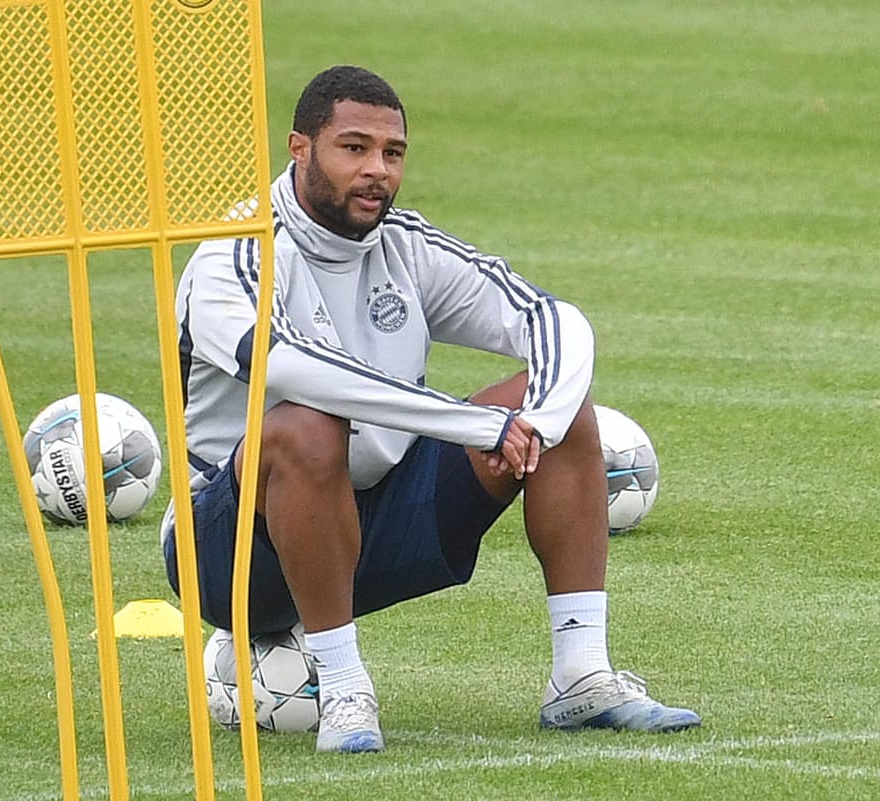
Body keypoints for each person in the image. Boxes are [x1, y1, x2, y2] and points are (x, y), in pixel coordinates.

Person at [160, 65, 700, 754]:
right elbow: (297, 370)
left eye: (392, 153)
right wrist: (476, 425)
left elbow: (551, 317)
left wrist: (544, 417)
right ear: (299, 148)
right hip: (230, 553)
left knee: (557, 403)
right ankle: (345, 686)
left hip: (373, 524)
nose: (376, 171)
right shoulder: (232, 254)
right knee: (303, 423)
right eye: (353, 148)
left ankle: (580, 676)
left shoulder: (405, 245)